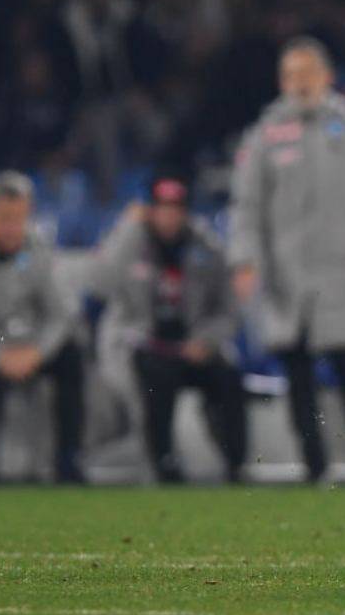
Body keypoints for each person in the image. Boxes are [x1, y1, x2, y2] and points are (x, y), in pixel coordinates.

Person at [229, 37, 345, 483]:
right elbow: (246, 205)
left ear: (327, 77)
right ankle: (314, 465)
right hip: (289, 279)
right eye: (291, 74)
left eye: (307, 73)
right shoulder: (264, 134)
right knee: (298, 375)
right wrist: (245, 259)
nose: (299, 83)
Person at [92, 171, 246, 483]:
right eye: (161, 207)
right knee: (156, 376)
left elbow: (229, 311)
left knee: (228, 376)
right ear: (149, 209)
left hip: (193, 344)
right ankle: (163, 465)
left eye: (175, 208)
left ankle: (236, 465)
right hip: (142, 345)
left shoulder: (208, 247)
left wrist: (206, 340)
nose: (169, 216)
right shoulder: (130, 241)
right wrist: (125, 228)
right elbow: (99, 284)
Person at [0, 172, 84, 483]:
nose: (13, 227)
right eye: (5, 217)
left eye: (20, 217)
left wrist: (37, 352)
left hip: (25, 347)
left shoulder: (36, 249)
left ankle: (67, 463)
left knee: (71, 355)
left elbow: (59, 315)